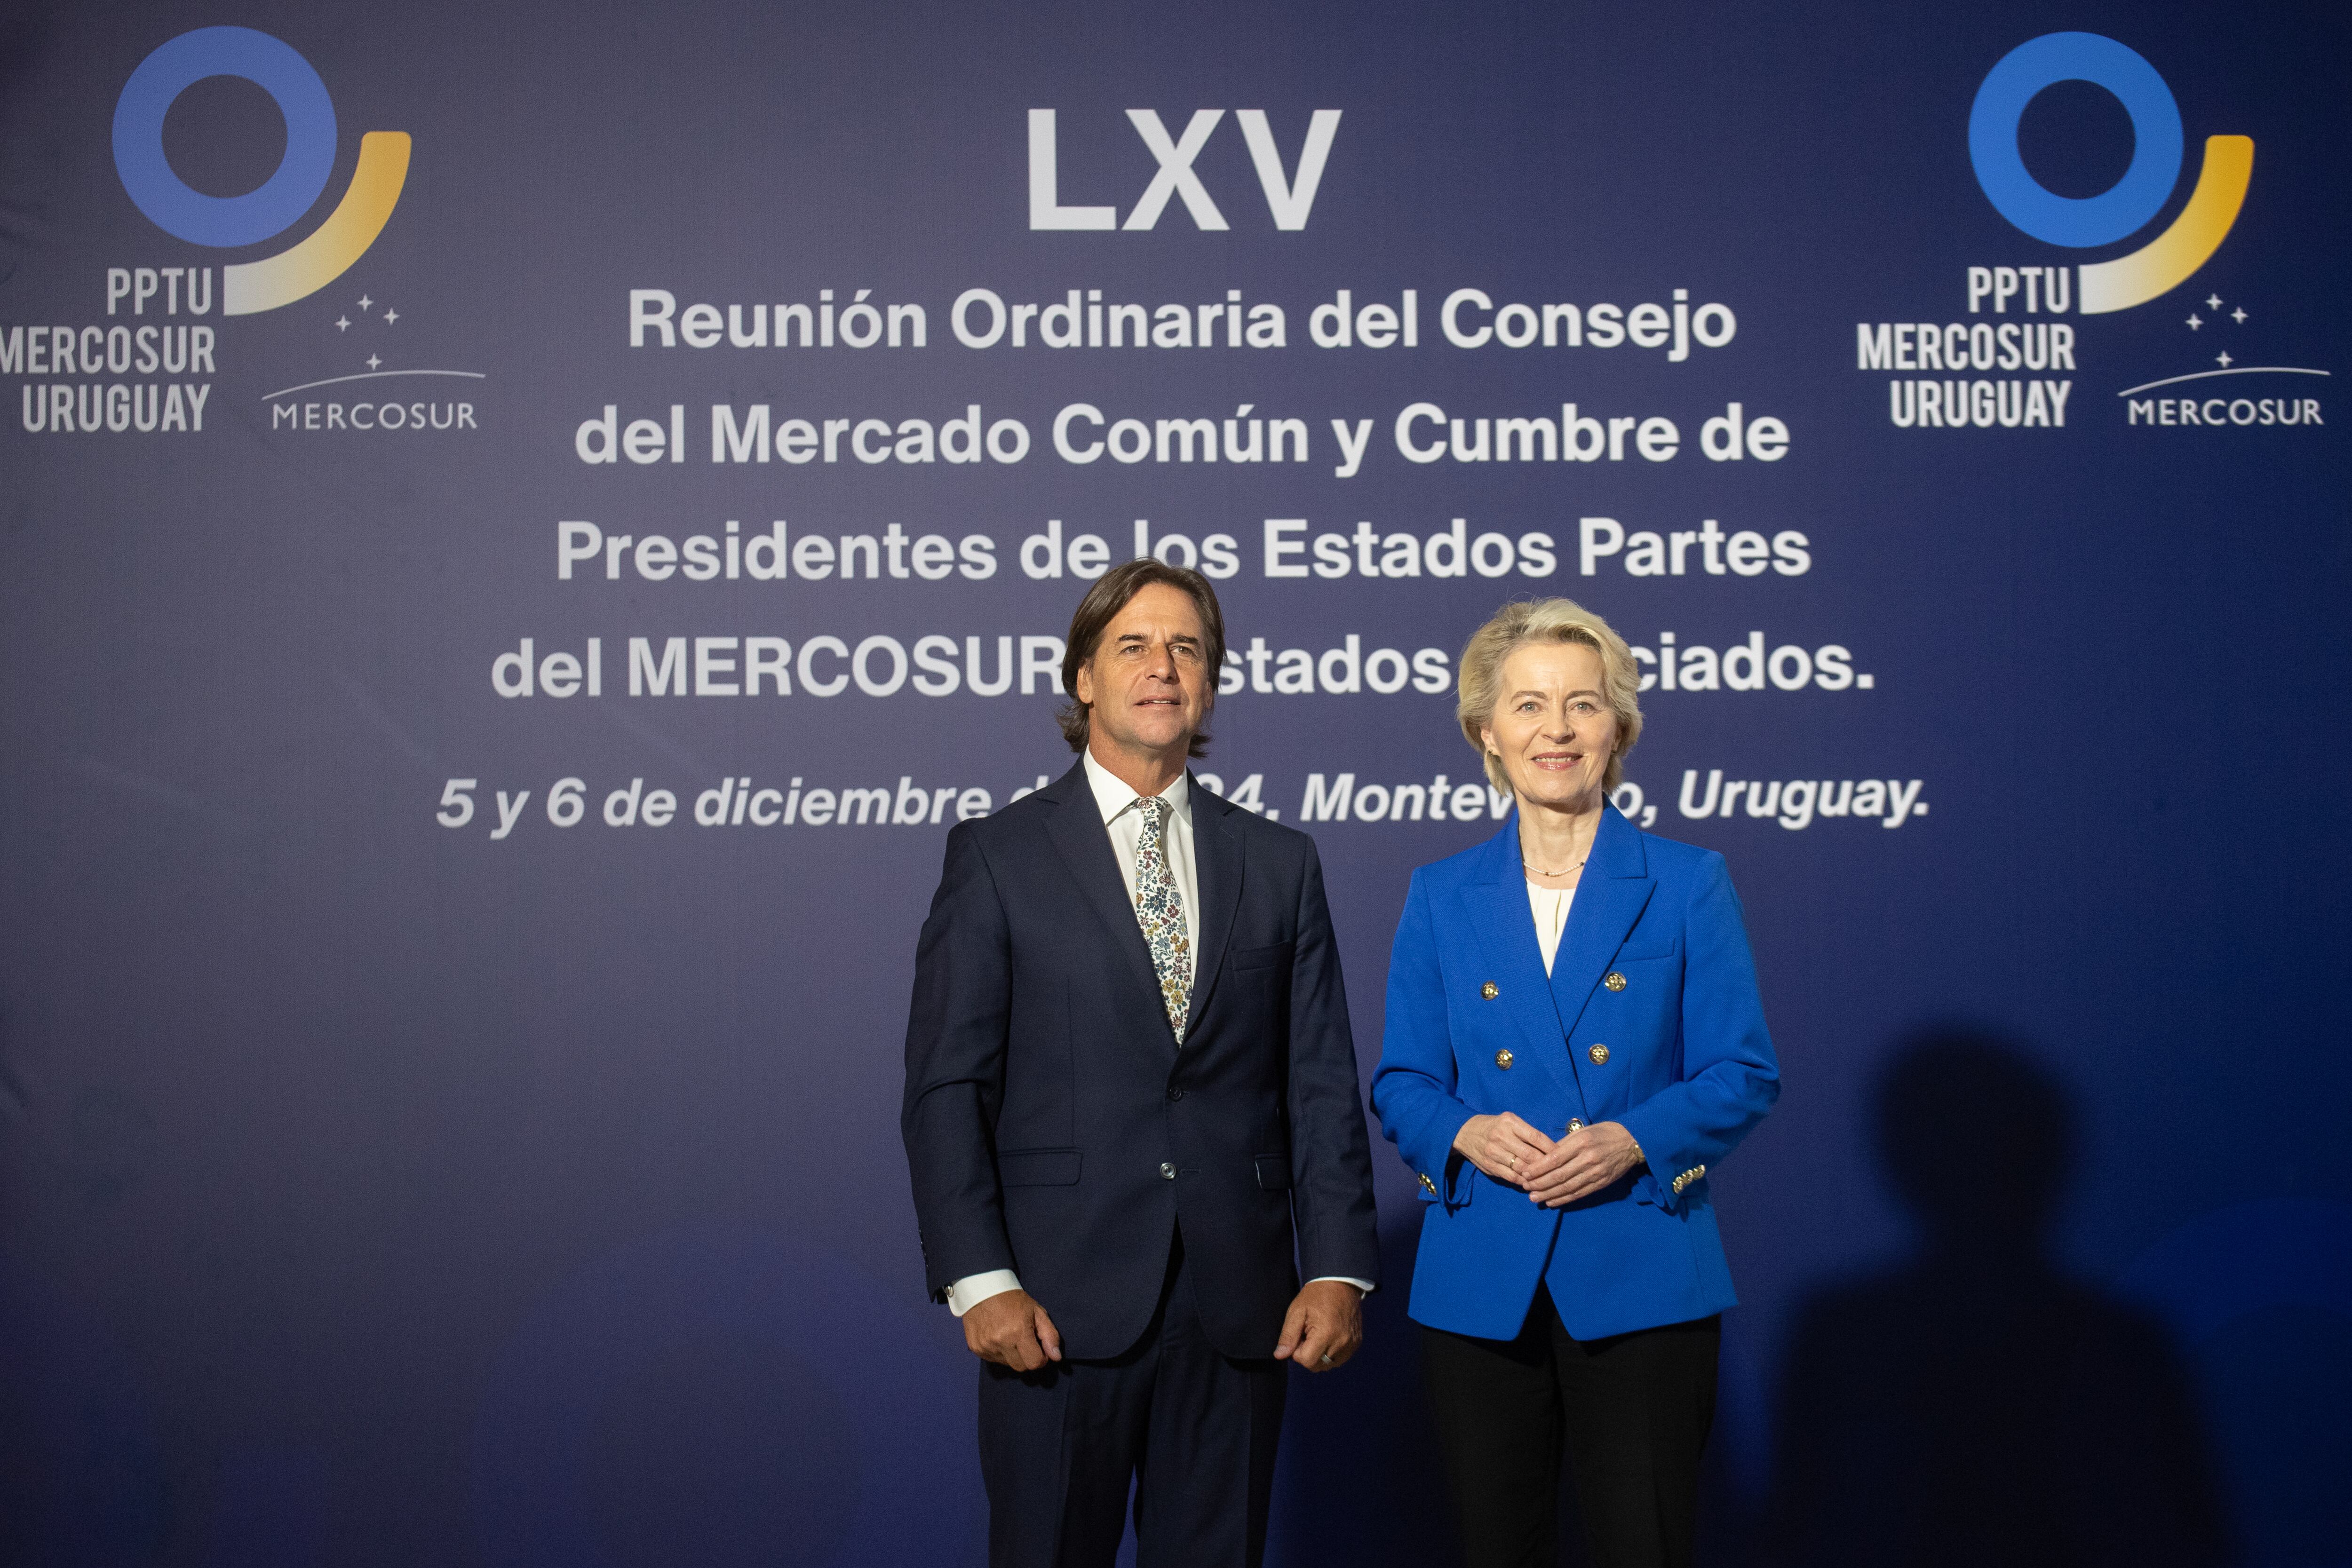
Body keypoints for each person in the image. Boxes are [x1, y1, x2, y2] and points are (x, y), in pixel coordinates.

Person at [902, 559, 1381, 1568]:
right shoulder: (995, 855)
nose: (1162, 666)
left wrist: (1336, 1263)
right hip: (1053, 1310)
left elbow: (1320, 1081)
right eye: (1132, 644)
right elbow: (948, 1087)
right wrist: (977, 1278)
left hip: (1238, 1308)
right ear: (1083, 677)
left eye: (1187, 648)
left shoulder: (1279, 860)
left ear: (1208, 683)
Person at [1369, 597, 1780, 1568]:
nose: (1555, 729)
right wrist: (1464, 1132)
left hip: (1639, 1264)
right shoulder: (1439, 892)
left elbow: (1742, 1070)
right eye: (1528, 705)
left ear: (1619, 728)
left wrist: (1634, 1137)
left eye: (1582, 704)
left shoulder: (1687, 882)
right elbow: (1403, 1080)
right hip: (1483, 1278)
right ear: (1487, 732)